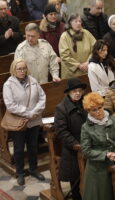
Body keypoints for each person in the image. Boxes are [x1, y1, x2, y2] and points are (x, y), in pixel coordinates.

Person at [3, 58, 46, 186]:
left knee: (33, 146)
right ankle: (20, 172)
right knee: (19, 149)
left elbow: (42, 97)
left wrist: (35, 112)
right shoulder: (8, 84)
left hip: (34, 120)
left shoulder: (33, 81)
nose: (22, 71)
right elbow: (10, 105)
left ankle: (33, 169)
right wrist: (28, 113)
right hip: (19, 121)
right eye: (19, 69)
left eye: (24, 68)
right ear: (13, 70)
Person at [81, 92, 115, 200]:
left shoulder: (113, 121)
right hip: (98, 169)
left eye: (100, 108)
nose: (98, 112)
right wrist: (106, 154)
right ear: (88, 111)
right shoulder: (86, 127)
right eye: (94, 110)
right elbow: (86, 151)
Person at [54, 77, 87, 200]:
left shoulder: (86, 102)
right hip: (73, 149)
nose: (78, 93)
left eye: (79, 90)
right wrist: (76, 145)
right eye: (74, 91)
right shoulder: (61, 108)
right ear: (69, 92)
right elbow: (61, 132)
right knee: (76, 180)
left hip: (89, 144)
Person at [59, 13, 96, 79]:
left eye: (79, 21)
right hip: (71, 73)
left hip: (88, 69)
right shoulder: (64, 36)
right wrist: (79, 66)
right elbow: (65, 56)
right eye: (76, 21)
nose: (78, 23)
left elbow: (95, 48)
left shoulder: (86, 33)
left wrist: (88, 62)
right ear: (70, 23)